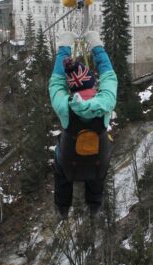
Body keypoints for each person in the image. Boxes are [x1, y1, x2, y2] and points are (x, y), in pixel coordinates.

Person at [49, 30, 117, 219]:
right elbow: (109, 74)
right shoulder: (105, 103)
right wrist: (96, 46)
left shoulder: (65, 107)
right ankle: (94, 203)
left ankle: (62, 205)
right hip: (97, 163)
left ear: (71, 89)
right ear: (94, 84)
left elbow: (56, 82)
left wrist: (64, 48)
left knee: (60, 163)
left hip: (70, 164)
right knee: (100, 159)